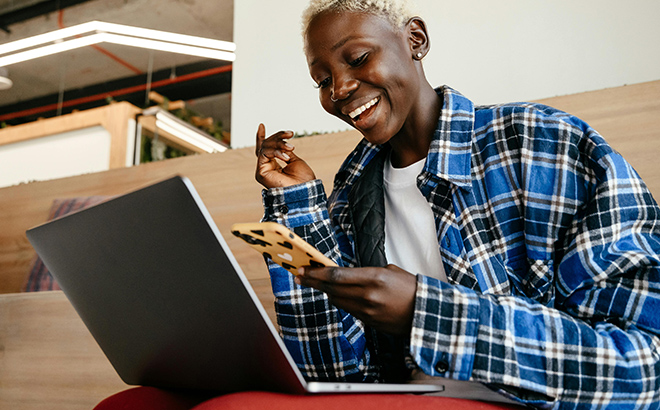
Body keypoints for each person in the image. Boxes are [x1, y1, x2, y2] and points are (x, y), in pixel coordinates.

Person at [254, 0, 660, 408]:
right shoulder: (351, 193)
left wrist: (426, 312)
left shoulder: (543, 144)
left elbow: (644, 367)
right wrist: (296, 205)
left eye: (358, 58)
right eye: (323, 81)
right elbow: (334, 377)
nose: (339, 89)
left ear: (416, 39)